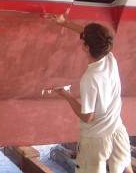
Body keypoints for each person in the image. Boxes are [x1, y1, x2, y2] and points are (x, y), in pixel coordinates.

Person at [50, 14, 132, 173]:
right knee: (124, 167)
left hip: (96, 139)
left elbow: (88, 117)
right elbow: (92, 37)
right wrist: (64, 22)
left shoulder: (90, 79)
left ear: (86, 47)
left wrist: (66, 94)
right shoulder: (109, 58)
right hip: (116, 129)